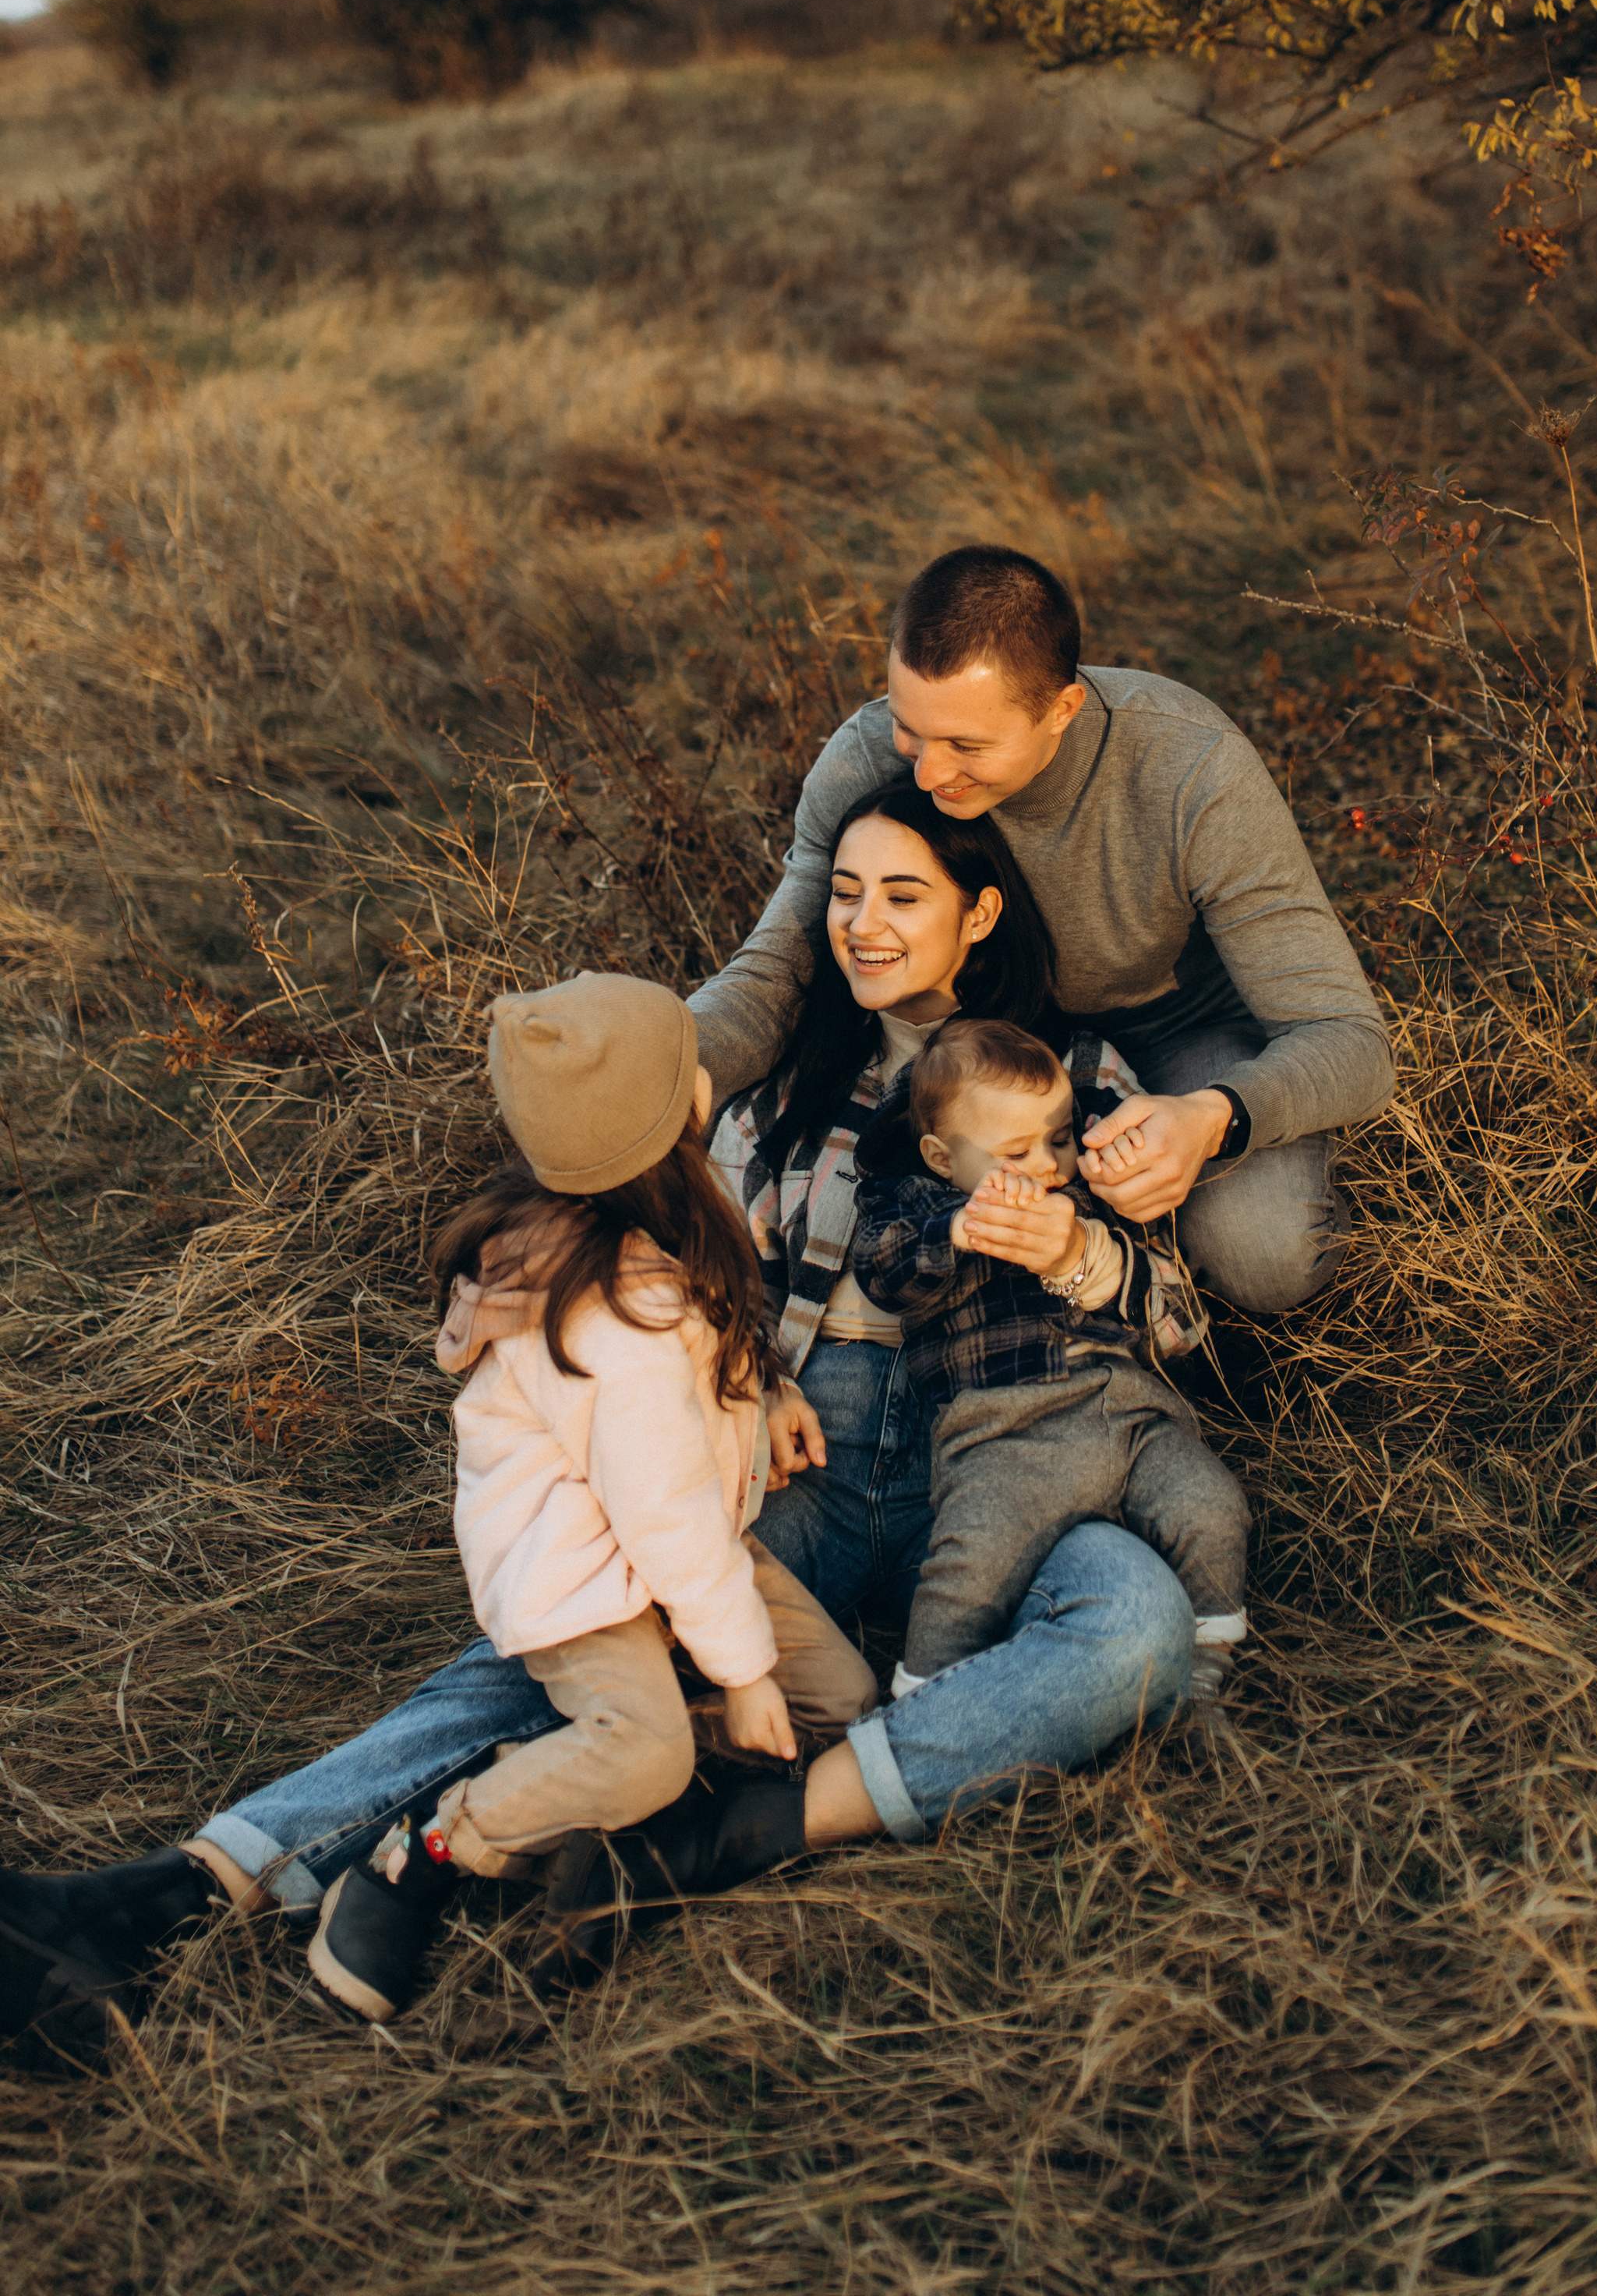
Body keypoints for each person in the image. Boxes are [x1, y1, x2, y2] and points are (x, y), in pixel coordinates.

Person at [0, 787, 1195, 2063]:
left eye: (904, 897)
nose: (863, 925)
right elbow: (673, 1259)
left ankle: (721, 1837)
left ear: (983, 912)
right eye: (843, 894)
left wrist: (1078, 1252)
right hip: (819, 1461)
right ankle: (187, 1890)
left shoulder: (1080, 1080)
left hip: (1019, 1460)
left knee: (1138, 1631)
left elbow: (1182, 1325)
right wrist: (749, 1371)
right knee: (592, 1617)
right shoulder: (783, 1075)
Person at [309, 969, 875, 2024]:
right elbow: (659, 1506)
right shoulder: (615, 1317)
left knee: (840, 1710)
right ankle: (435, 1842)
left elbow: (702, 1382)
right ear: (676, 1117)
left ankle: (565, 1783)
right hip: (590, 1581)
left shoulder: (645, 1228)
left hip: (682, 1551)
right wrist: (742, 1672)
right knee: (657, 1750)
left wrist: (766, 1401)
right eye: (688, 1072)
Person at [687, 541, 1395, 1318]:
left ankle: (1180, 1306)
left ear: (1061, 709)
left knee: (1266, 1259)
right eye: (911, 730)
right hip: (975, 1042)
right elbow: (777, 971)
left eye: (966, 746)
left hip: (1178, 1038)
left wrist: (1211, 1117)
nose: (925, 775)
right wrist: (681, 1062)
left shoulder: (1193, 768)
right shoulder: (861, 756)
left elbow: (1346, 1037)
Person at [852, 1017, 1246, 1700]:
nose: (1047, 1166)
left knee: (1213, 1508)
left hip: (1128, 1408)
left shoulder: (1089, 1197)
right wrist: (959, 1231)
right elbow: (880, 1271)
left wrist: (1084, 1250)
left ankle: (1206, 1668)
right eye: (1016, 1153)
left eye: (1059, 1139)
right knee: (969, 1572)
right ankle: (922, 1700)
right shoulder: (920, 1203)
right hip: (1006, 1431)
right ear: (943, 1158)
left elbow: (1178, 1313)